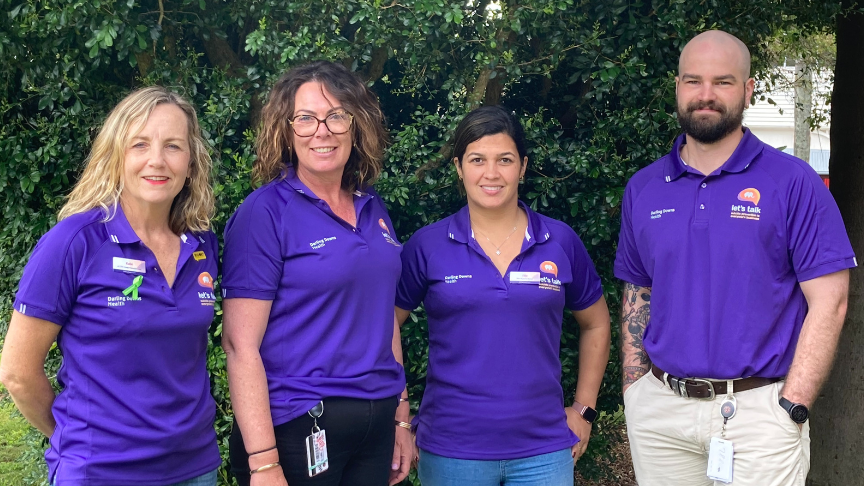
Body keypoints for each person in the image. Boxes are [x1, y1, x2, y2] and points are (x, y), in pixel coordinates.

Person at [615, 30, 856, 486]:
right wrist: (634, 392)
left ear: (747, 90)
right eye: (693, 81)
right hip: (662, 413)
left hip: (759, 415)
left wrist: (793, 404)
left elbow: (831, 301)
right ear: (678, 87)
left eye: (723, 82)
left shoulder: (792, 183)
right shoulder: (644, 188)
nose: (705, 95)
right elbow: (638, 289)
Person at [0, 87, 221, 486]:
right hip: (102, 472)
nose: (157, 160)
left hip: (195, 467)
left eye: (173, 146)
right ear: (116, 155)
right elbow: (17, 372)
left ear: (191, 162)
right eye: (140, 144)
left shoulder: (201, 242)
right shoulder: (74, 243)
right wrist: (76, 439)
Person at [395, 106, 612, 486]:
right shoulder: (427, 245)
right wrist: (400, 415)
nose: (491, 173)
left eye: (505, 160)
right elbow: (385, 325)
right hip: (452, 450)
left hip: (543, 452)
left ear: (523, 167)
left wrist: (585, 408)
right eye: (477, 160)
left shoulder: (559, 240)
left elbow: (595, 323)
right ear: (460, 167)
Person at [221, 61, 411, 486]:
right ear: (286, 131)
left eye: (336, 116)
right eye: (305, 118)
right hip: (298, 426)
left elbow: (382, 317)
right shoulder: (265, 213)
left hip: (376, 422)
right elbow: (239, 346)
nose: (321, 130)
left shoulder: (372, 206)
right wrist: (264, 462)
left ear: (355, 125)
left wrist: (401, 417)